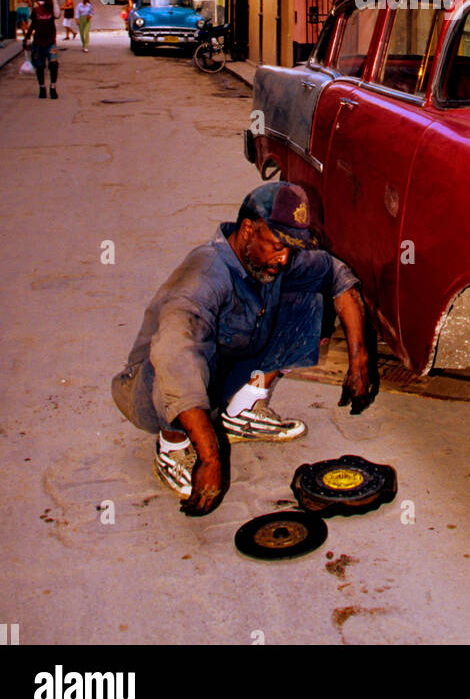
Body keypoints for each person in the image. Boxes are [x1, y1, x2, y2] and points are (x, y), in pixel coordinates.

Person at [111, 182, 374, 516]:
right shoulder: (205, 272)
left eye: (290, 249)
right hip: (150, 386)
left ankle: (243, 410)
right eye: (278, 246)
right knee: (183, 353)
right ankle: (172, 446)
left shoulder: (271, 257)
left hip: (228, 358)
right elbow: (174, 356)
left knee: (311, 295)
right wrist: (210, 457)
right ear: (249, 229)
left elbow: (339, 276)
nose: (284, 258)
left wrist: (359, 361)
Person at [24, 0, 61, 99]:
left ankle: (53, 87)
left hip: (51, 43)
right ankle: (42, 87)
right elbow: (32, 25)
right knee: (40, 67)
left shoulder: (52, 10)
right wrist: (27, 38)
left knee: (54, 64)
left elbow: (58, 14)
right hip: (38, 43)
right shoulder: (36, 10)